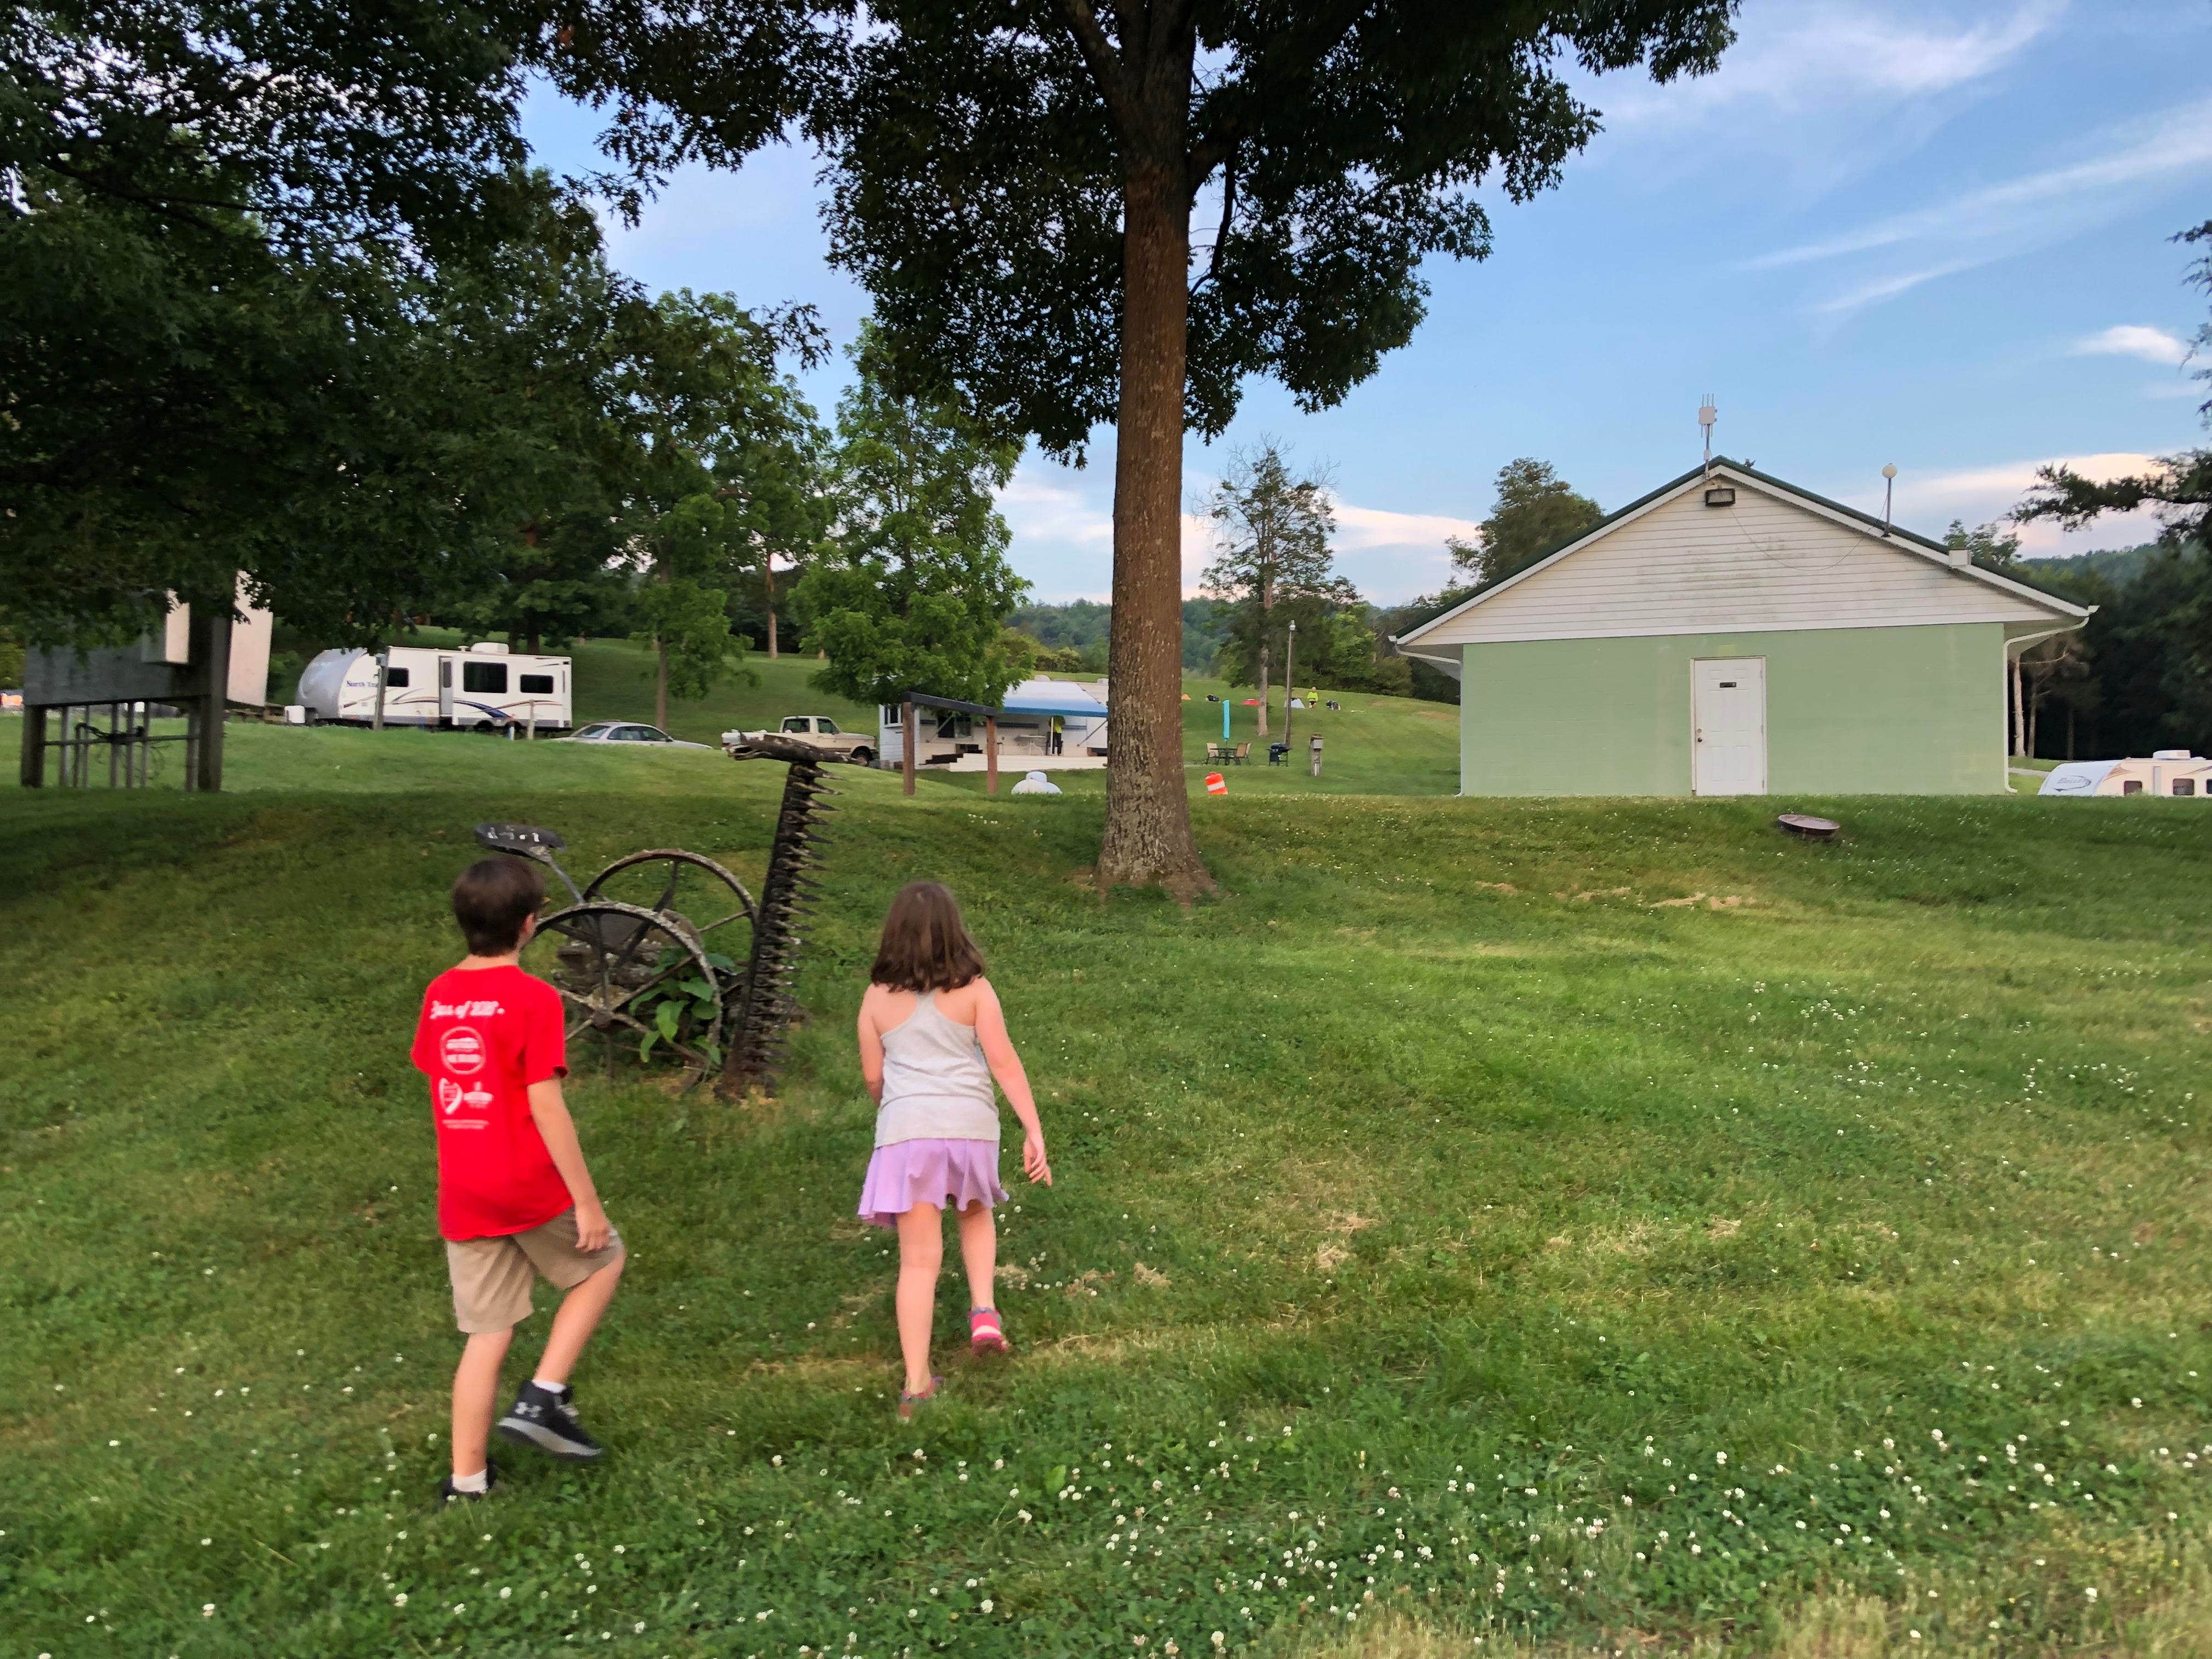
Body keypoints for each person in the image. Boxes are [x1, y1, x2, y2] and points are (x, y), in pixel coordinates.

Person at [411, 857, 626, 1501]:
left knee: (487, 1333)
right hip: (524, 1179)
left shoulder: (439, 993)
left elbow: (443, 1077)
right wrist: (587, 1202)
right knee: (603, 1261)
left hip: (464, 1187)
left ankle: (467, 1482)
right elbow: (546, 1105)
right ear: (530, 925)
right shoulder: (533, 998)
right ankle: (543, 1397)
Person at [855, 881, 1051, 1417]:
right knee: (975, 1211)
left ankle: (916, 1385)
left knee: (919, 1263)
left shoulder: (875, 998)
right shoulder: (975, 990)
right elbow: (1004, 1062)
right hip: (970, 1126)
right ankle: (984, 1310)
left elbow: (873, 1076)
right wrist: (1033, 1129)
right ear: (954, 931)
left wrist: (893, 1108)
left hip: (907, 1132)